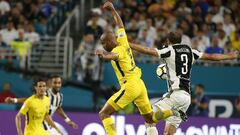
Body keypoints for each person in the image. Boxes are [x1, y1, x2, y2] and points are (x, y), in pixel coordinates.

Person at [95, 2, 183, 135]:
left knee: (104, 113)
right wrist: (113, 10)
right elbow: (120, 24)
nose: (102, 45)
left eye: (103, 42)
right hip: (140, 85)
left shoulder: (118, 49)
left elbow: (114, 56)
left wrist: (103, 55)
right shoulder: (123, 41)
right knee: (150, 118)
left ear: (109, 41)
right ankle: (174, 112)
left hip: (130, 86)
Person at [129, 32, 238, 135]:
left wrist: (128, 44)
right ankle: (176, 112)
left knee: (149, 119)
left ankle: (173, 112)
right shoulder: (190, 51)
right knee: (168, 133)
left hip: (175, 94)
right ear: (180, 40)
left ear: (168, 41)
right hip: (186, 98)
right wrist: (230, 56)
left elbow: (147, 50)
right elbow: (211, 57)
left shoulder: (169, 50)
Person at [6, 75, 78, 135]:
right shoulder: (44, 93)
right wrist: (14, 100)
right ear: (51, 84)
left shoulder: (57, 97)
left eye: (59, 83)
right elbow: (28, 101)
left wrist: (67, 121)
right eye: (55, 83)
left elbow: (56, 109)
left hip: (44, 128)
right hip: (36, 128)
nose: (57, 85)